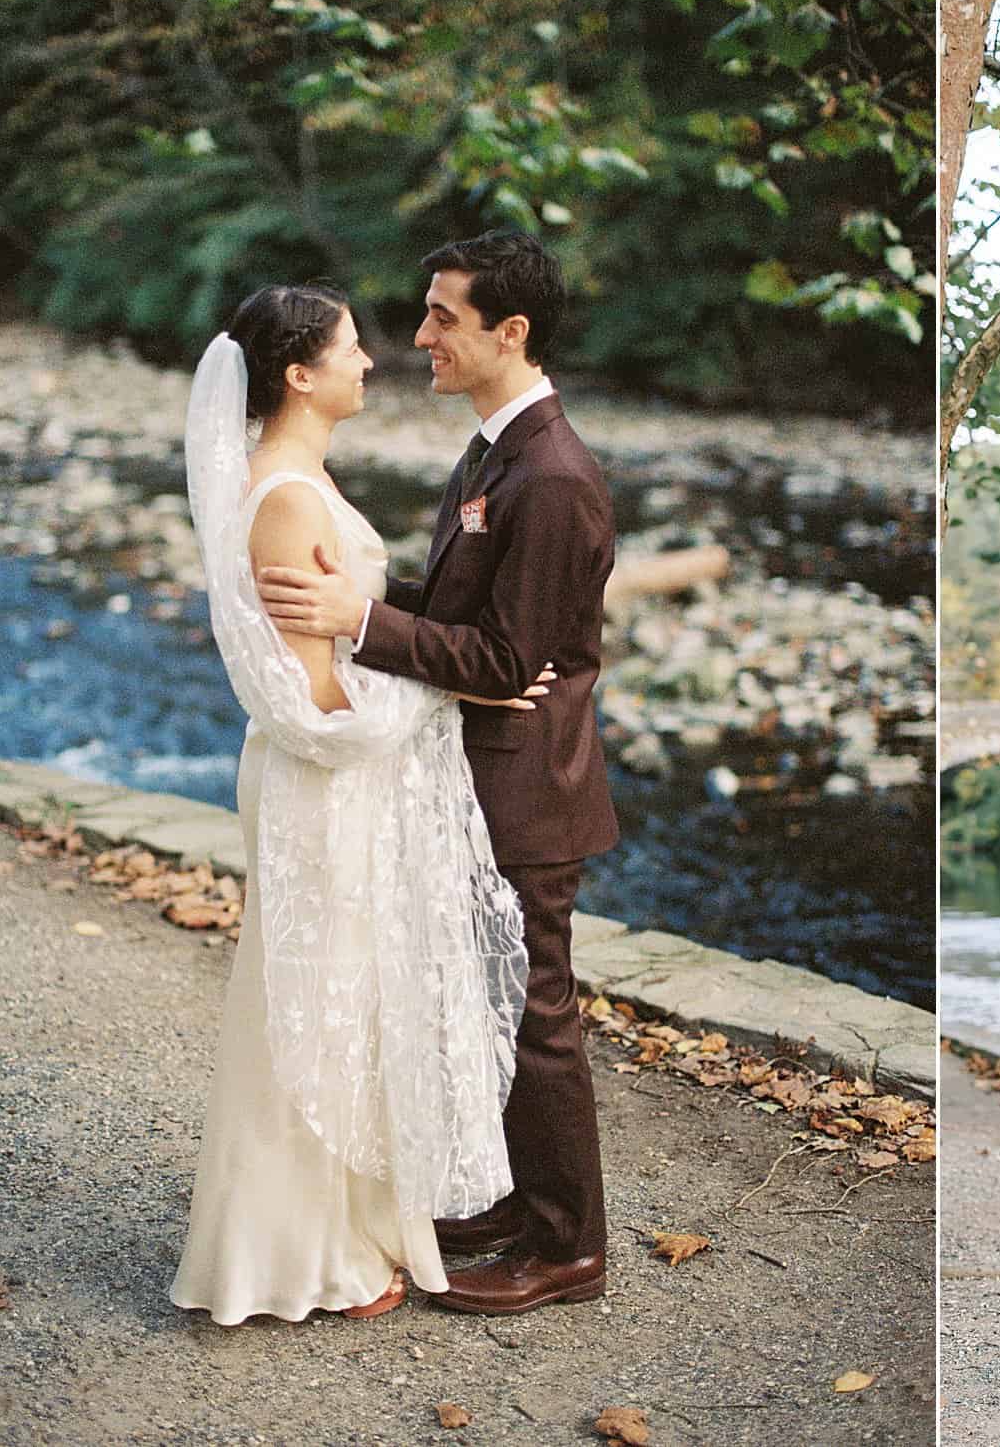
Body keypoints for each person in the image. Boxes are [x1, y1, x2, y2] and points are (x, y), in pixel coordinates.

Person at [256, 231, 618, 1315]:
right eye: (421, 315)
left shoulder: (552, 477)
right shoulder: (492, 451)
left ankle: (568, 1247)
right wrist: (378, 594)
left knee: (535, 1013)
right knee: (491, 1001)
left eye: (442, 318)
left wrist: (359, 622)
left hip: (528, 792)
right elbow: (474, 618)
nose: (419, 337)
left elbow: (510, 661)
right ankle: (511, 1209)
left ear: (510, 332)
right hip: (477, 776)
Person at [170, 284, 547, 1325]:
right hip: (318, 784)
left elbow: (345, 647)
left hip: (335, 781)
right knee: (309, 1004)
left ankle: (342, 1222)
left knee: (331, 999)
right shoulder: (286, 497)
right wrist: (450, 683)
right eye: (349, 347)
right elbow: (315, 696)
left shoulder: (302, 478)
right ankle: (294, 1252)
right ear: (299, 373)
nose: (371, 361)